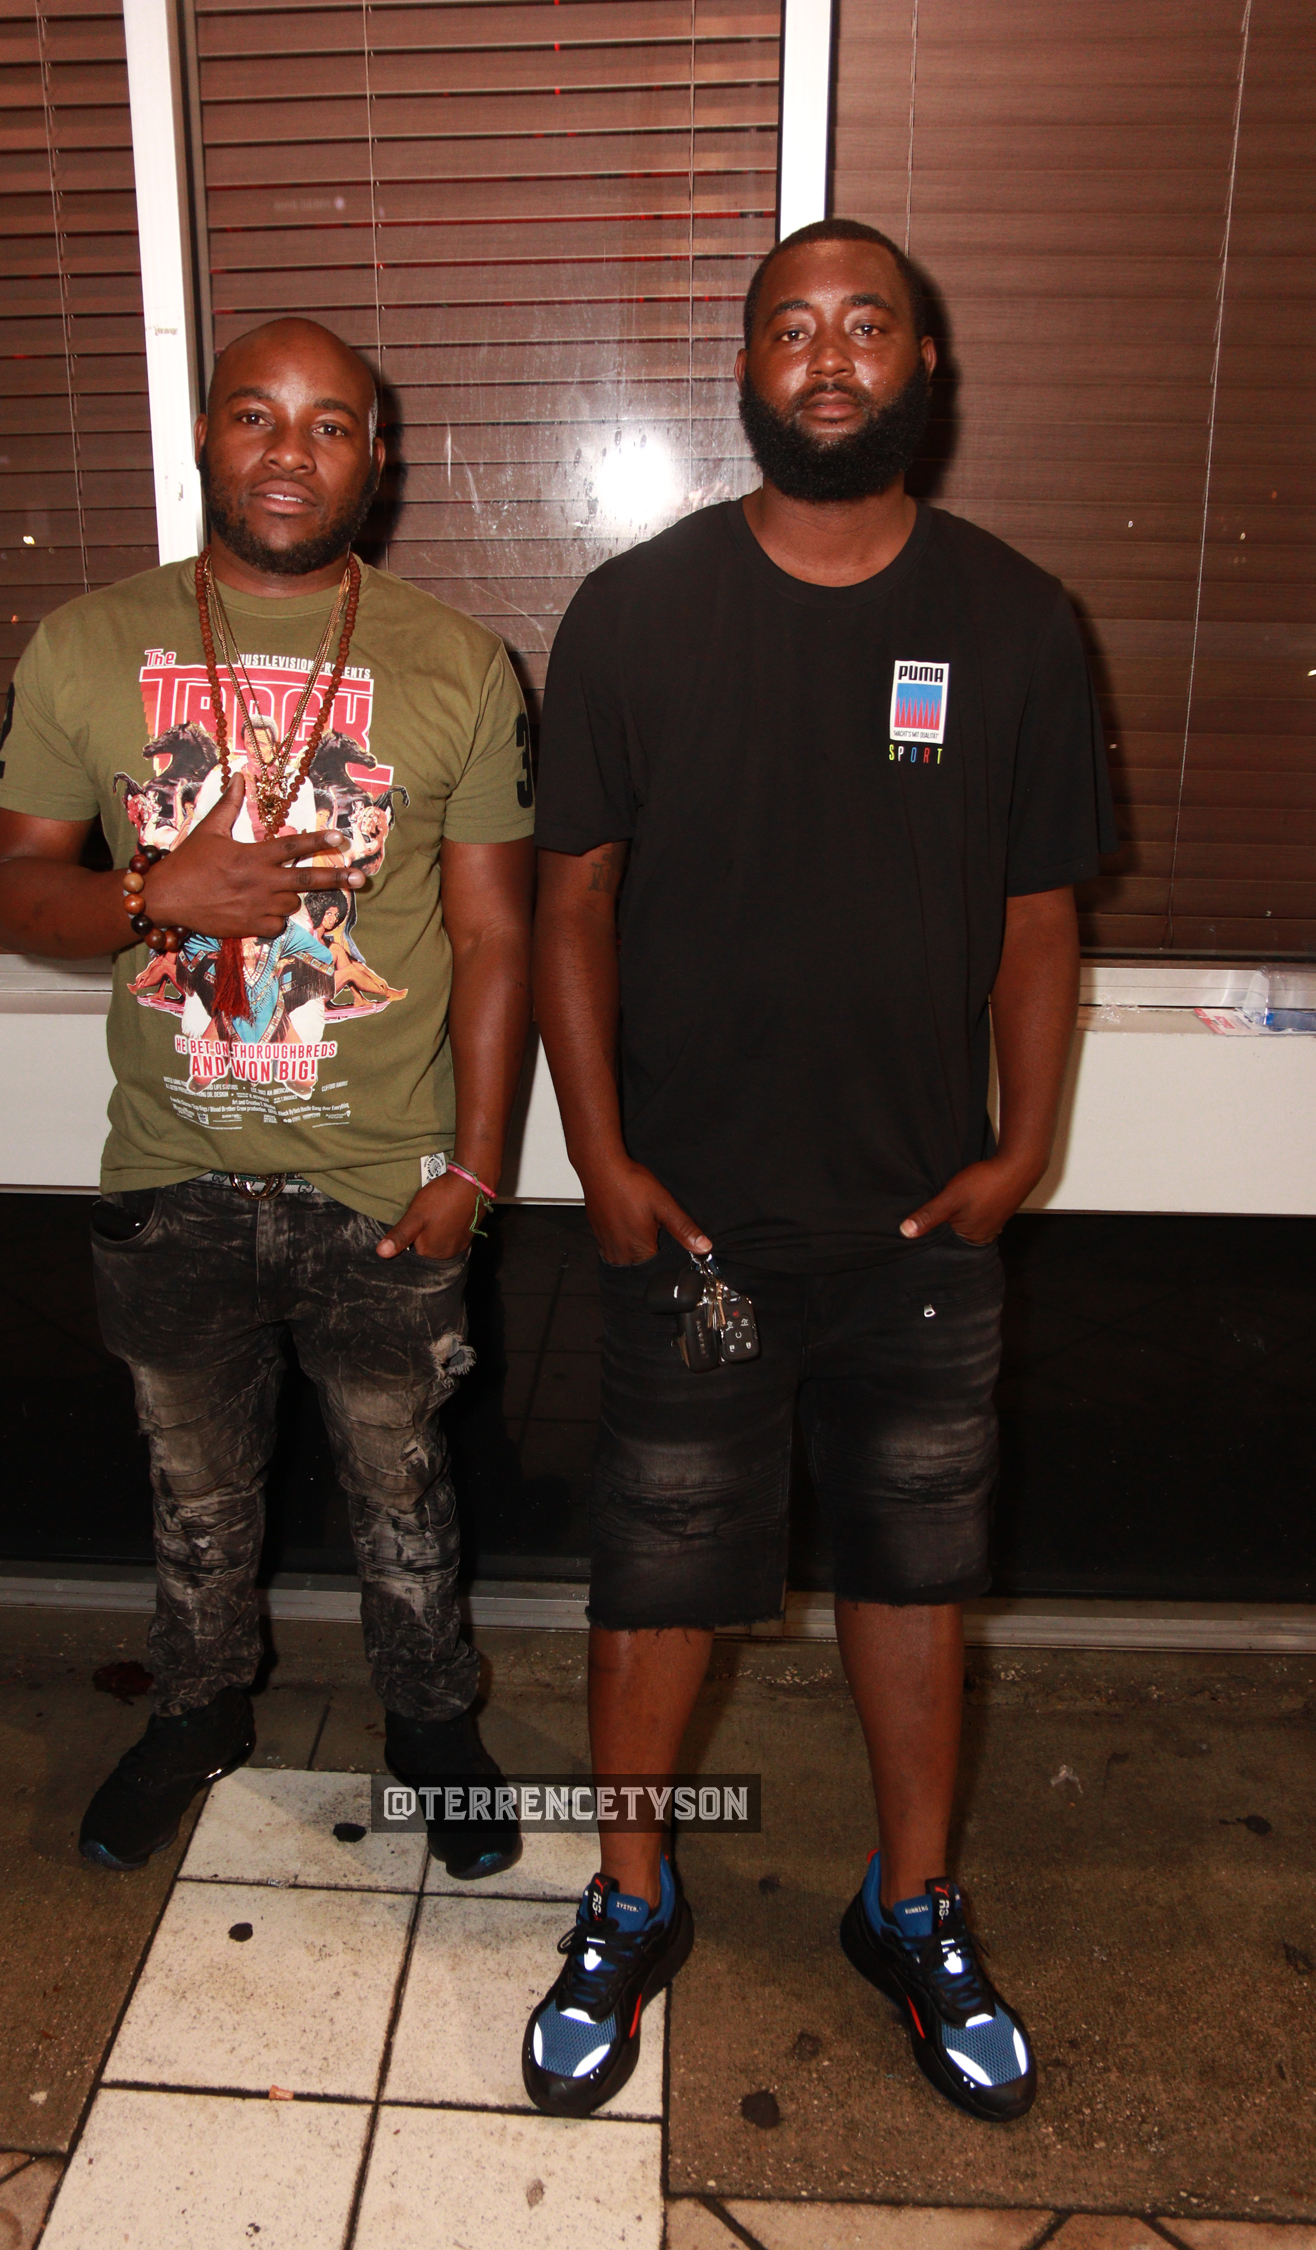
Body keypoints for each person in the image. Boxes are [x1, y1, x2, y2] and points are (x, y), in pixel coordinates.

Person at [522, 220, 1116, 2123]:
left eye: (870, 325)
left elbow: (1038, 916)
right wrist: (600, 1156)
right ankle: (629, 1898)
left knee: (917, 1578)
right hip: (690, 1223)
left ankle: (909, 1904)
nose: (832, 355)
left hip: (918, 1228)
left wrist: (1022, 1147)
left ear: (926, 365)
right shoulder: (634, 614)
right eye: (794, 327)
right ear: (746, 370)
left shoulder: (1019, 621)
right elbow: (571, 904)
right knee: (655, 1584)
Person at [0, 316, 536, 1881]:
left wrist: (478, 1167)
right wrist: (151, 892)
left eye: (330, 424)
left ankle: (432, 1723)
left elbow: (498, 935)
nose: (290, 451)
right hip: (172, 1169)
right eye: (256, 415)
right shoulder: (85, 643)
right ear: (208, 435)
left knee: (405, 1479)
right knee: (194, 1486)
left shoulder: (458, 662)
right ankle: (199, 1709)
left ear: (378, 458)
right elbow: (13, 886)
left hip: (386, 1174)